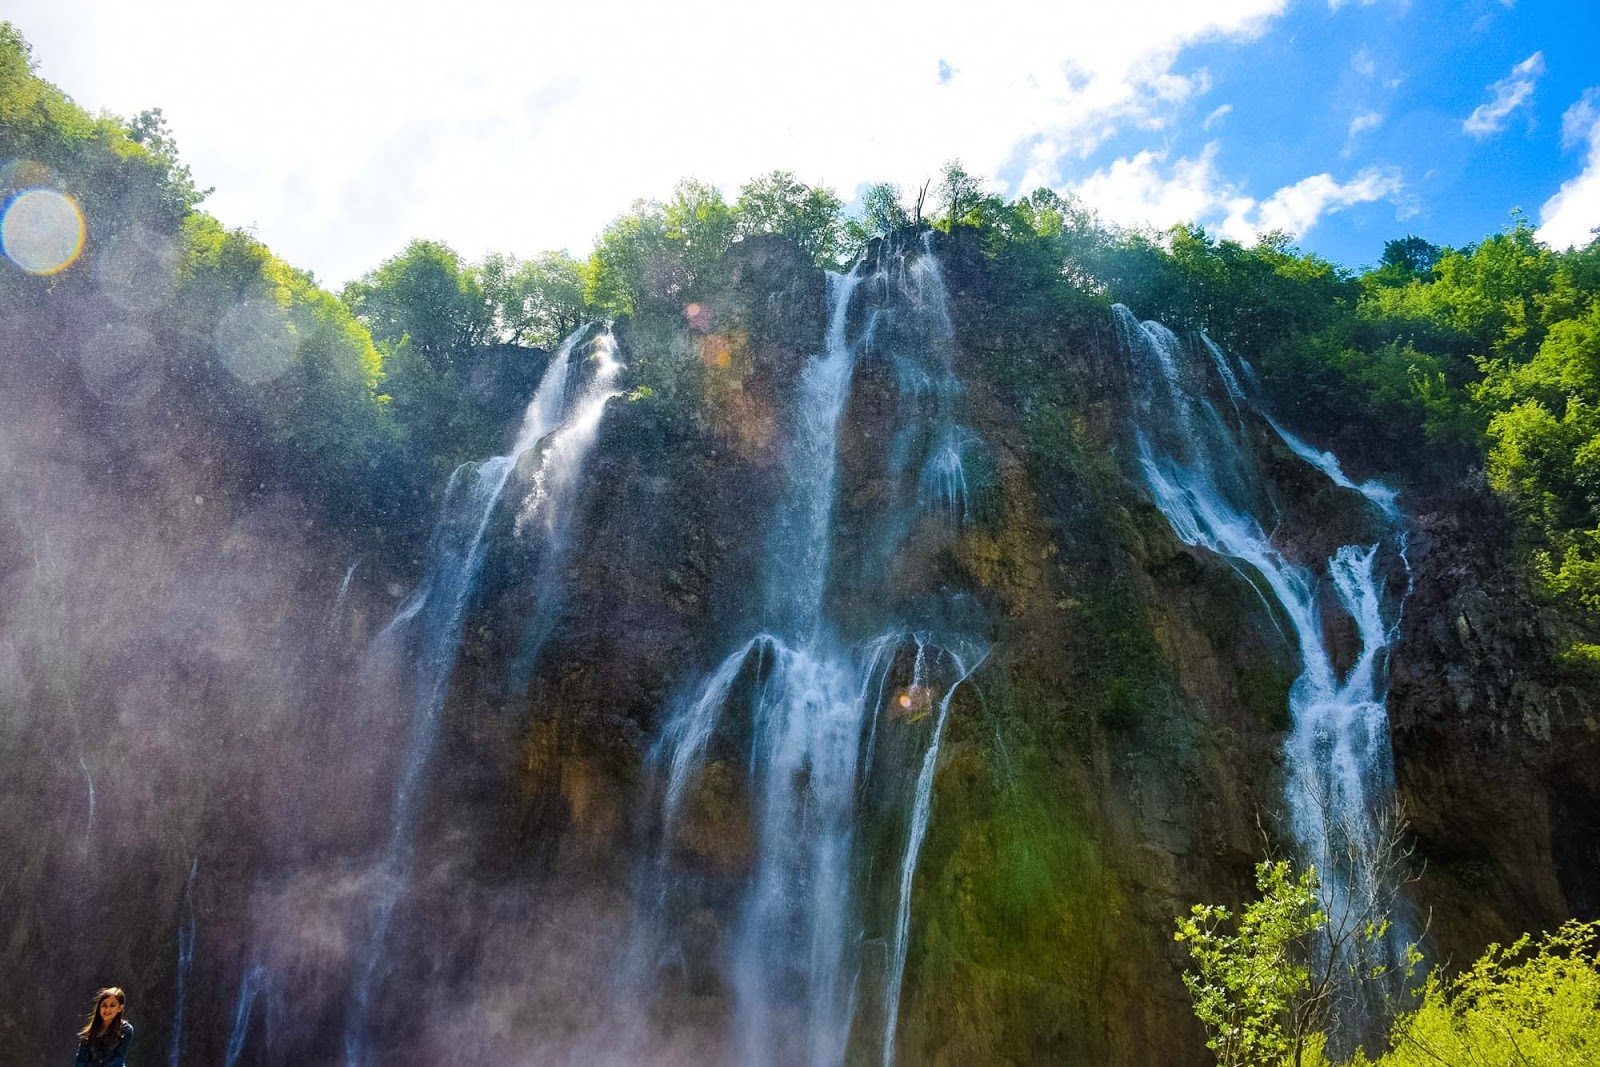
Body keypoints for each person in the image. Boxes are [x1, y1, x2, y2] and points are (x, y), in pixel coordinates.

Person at [74, 987, 132, 1067]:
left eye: (112, 1005)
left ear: (120, 1008)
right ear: (99, 1007)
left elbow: (118, 1058)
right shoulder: (89, 1032)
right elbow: (80, 1059)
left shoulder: (126, 1030)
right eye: (104, 1005)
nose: (107, 1009)